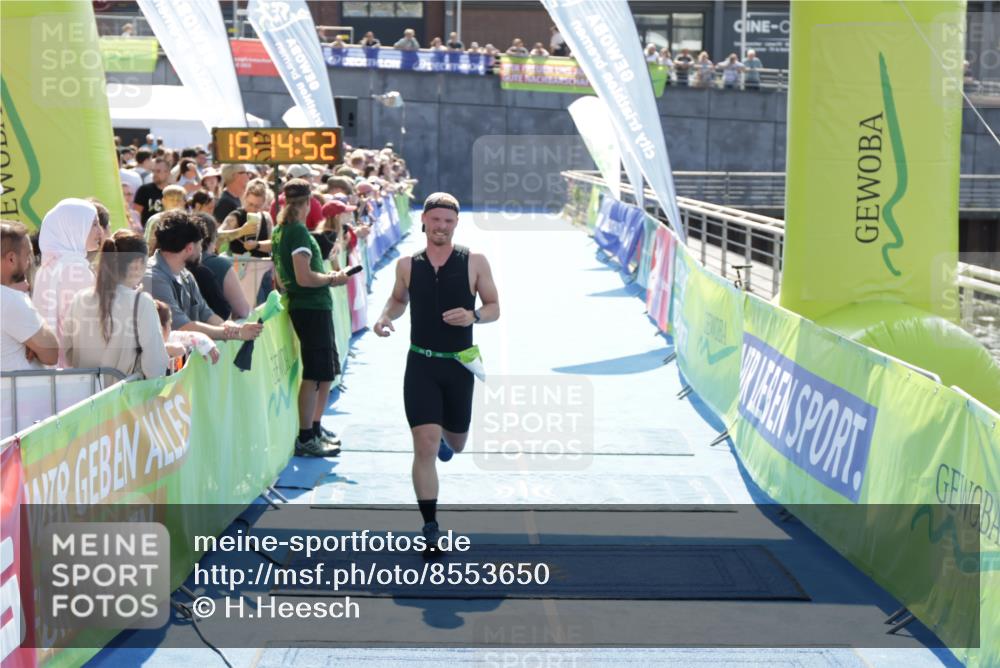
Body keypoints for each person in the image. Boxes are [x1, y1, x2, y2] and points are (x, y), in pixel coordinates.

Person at [374, 192, 500, 544]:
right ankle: (430, 525)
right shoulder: (407, 265)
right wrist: (385, 316)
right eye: (436, 220)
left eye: (448, 221)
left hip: (459, 364)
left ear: (456, 224)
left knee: (455, 444)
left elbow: (493, 307)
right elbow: (399, 299)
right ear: (424, 222)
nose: (441, 226)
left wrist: (473, 315)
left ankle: (449, 439)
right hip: (421, 364)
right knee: (424, 445)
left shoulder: (475, 261)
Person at [271, 179, 351, 457]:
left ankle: (313, 429)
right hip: (311, 307)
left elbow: (282, 278)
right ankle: (306, 437)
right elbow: (304, 278)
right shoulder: (297, 234)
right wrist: (333, 278)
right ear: (307, 204)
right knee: (314, 373)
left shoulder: (282, 232)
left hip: (307, 306)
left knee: (322, 371)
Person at [63, 231, 169, 380]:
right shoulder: (142, 302)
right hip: (124, 398)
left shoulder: (80, 298)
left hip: (85, 395)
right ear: (137, 264)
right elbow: (155, 367)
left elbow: (68, 353)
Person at [145, 210, 263, 342]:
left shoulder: (186, 274)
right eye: (200, 244)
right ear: (189, 248)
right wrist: (237, 333)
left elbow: (206, 313)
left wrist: (230, 327)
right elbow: (183, 326)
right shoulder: (153, 278)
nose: (202, 249)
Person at [32, 198, 103, 365]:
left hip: (49, 370)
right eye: (93, 224)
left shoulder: (48, 266)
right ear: (73, 228)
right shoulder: (76, 270)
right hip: (75, 371)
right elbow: (89, 329)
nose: (99, 231)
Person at [1, 221, 58, 372]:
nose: (29, 263)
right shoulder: (10, 300)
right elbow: (51, 354)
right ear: (12, 259)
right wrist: (22, 298)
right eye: (27, 256)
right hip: (17, 395)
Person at [189, 213, 250, 320]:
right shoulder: (220, 265)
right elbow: (243, 311)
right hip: (215, 331)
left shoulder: (177, 261)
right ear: (213, 237)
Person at [223, 178, 273, 257]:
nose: (253, 209)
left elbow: (273, 244)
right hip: (239, 267)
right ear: (245, 197)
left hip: (263, 267)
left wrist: (257, 245)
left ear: (263, 202)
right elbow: (218, 236)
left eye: (257, 206)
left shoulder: (266, 217)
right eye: (250, 204)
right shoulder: (236, 216)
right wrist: (241, 231)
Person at [144, 184, 187, 250]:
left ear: (184, 202)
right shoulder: (155, 220)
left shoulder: (188, 221)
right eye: (172, 199)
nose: (175, 203)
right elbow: (147, 245)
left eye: (178, 200)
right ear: (163, 201)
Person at [134, 157, 171, 227]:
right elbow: (136, 215)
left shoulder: (173, 192)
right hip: (148, 233)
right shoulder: (144, 190)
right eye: (153, 171)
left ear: (168, 173)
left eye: (158, 171)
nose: (155, 174)